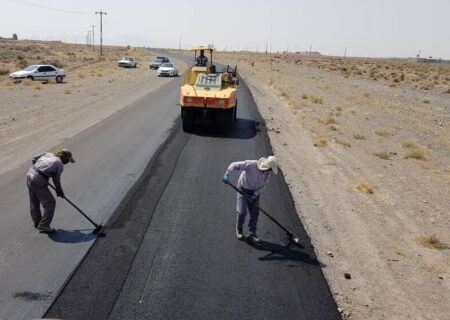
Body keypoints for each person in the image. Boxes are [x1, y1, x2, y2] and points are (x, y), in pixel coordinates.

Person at [222, 156, 278, 243]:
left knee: (255, 213)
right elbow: (234, 165)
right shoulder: (251, 164)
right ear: (267, 166)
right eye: (270, 169)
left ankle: (252, 233)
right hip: (242, 190)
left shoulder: (268, 173)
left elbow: (264, 185)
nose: (270, 171)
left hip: (255, 193)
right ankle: (239, 229)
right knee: (241, 212)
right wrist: (227, 174)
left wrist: (255, 195)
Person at [26, 149, 75, 233]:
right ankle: (44, 225)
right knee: (50, 203)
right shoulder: (59, 164)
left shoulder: (48, 154)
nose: (67, 162)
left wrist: (39, 171)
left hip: (29, 176)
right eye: (67, 160)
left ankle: (37, 222)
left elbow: (34, 159)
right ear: (63, 157)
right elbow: (56, 180)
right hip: (38, 181)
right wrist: (60, 192)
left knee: (34, 201)